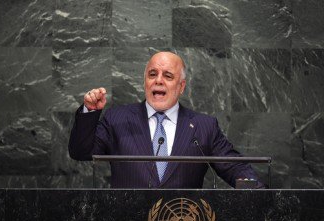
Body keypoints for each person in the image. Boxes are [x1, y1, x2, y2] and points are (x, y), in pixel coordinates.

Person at [69, 51, 263, 188]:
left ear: (181, 86)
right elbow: (81, 152)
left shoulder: (204, 126)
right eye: (152, 74)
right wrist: (90, 112)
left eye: (168, 76)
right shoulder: (117, 118)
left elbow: (235, 166)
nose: (158, 80)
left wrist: (259, 193)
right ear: (145, 81)